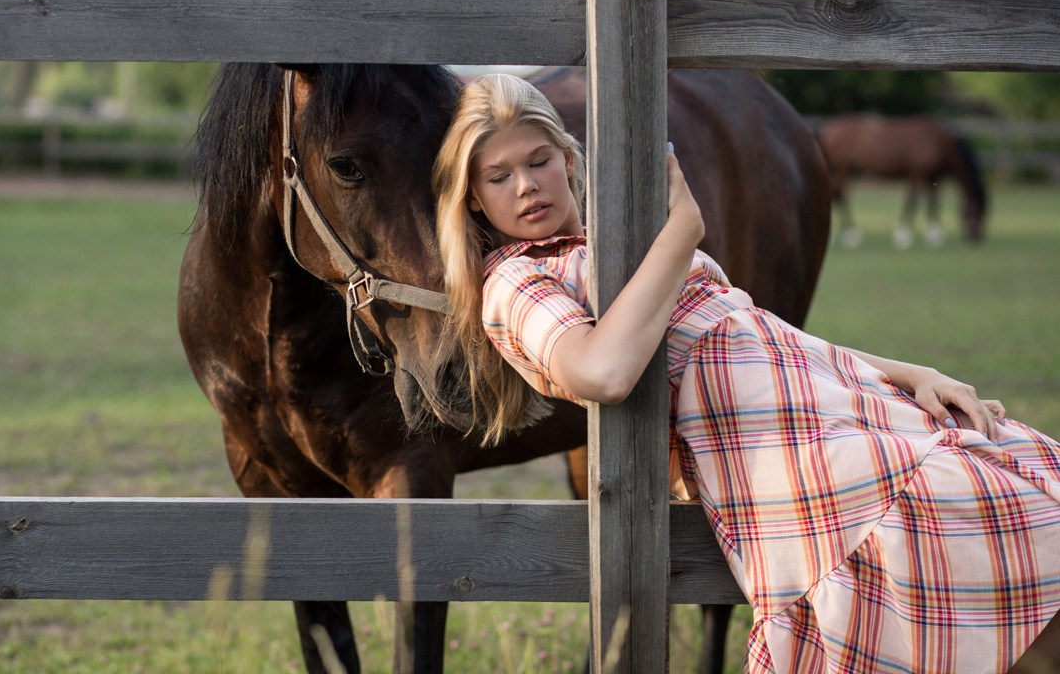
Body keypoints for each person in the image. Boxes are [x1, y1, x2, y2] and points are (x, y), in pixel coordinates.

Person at [431, 72, 1060, 673]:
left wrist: (907, 371)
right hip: (764, 446)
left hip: (825, 393)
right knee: (961, 497)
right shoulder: (516, 281)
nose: (525, 186)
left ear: (568, 159)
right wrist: (684, 228)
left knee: (1016, 465)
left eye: (538, 160)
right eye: (498, 175)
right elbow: (602, 372)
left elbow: (754, 330)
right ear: (474, 197)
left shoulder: (614, 238)